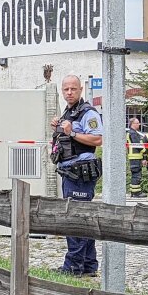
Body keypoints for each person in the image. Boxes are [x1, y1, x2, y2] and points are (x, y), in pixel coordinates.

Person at [49, 75, 103, 277]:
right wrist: (58, 127)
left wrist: (71, 133)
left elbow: (97, 139)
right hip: (69, 172)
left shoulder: (88, 112)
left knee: (75, 219)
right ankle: (88, 265)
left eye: (73, 89)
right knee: (85, 219)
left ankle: (73, 267)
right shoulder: (69, 112)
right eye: (66, 89)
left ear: (81, 89)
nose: (69, 92)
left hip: (80, 173)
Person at [127, 117, 147, 199]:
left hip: (134, 157)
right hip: (135, 157)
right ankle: (136, 193)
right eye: (137, 123)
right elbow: (137, 145)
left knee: (135, 175)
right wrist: (145, 151)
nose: (139, 124)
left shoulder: (132, 132)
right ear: (133, 124)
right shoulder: (133, 133)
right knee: (136, 175)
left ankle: (134, 192)